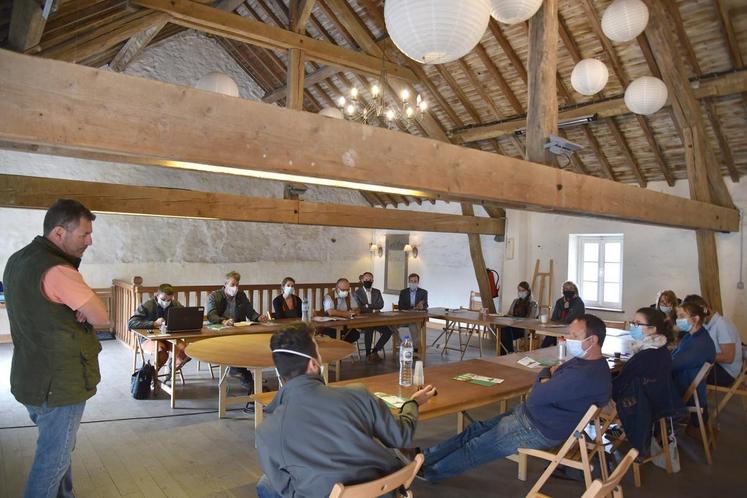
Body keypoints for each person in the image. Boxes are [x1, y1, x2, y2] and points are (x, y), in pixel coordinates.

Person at [418, 314, 611, 482]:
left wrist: (546, 376)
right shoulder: (586, 363)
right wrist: (548, 376)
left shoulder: (584, 375)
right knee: (474, 430)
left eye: (574, 336)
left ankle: (430, 472)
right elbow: (549, 374)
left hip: (536, 428)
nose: (567, 339)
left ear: (592, 340)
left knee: (475, 448)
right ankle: (424, 458)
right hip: (530, 416)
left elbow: (536, 395)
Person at [255, 323, 437, 498]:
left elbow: (286, 489)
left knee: (266, 484)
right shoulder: (357, 394)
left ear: (280, 371)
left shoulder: (267, 431)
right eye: (318, 351)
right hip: (383, 489)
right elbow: (400, 436)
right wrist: (412, 404)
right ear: (313, 364)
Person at [3, 199, 109, 497]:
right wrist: (85, 307)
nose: (90, 241)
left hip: (30, 377)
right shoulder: (59, 270)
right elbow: (101, 316)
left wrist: (80, 305)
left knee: (57, 449)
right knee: (53, 460)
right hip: (60, 383)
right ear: (59, 233)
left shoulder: (18, 260)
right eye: (84, 234)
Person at [612, 308, 680, 455]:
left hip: (640, 405)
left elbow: (618, 387)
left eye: (637, 324)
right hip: (658, 401)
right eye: (632, 323)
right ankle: (618, 429)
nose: (633, 326)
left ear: (652, 329)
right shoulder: (662, 350)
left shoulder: (644, 356)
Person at [207, 271, 268, 391]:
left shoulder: (241, 295)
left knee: (254, 345)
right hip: (220, 331)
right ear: (225, 284)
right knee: (235, 349)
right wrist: (223, 321)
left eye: (237, 285)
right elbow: (211, 315)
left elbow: (250, 311)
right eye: (232, 284)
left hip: (238, 330)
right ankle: (245, 377)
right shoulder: (214, 296)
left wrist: (258, 317)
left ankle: (242, 373)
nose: (235, 288)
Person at [681, 295, 742, 388]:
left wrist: (701, 355)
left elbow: (729, 358)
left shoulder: (722, 325)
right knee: (684, 367)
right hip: (716, 364)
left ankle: (691, 396)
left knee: (686, 374)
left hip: (727, 372)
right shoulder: (706, 323)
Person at [672, 301, 716, 429]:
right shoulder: (693, 336)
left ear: (695, 319)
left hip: (685, 390)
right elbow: (674, 356)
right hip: (683, 382)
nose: (678, 320)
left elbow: (672, 364)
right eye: (677, 316)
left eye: (681, 316)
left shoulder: (699, 344)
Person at [128, 283, 190, 372]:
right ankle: (153, 375)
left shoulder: (175, 304)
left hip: (169, 337)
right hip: (149, 338)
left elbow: (186, 316)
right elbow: (131, 323)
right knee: (161, 353)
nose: (166, 302)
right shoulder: (147, 305)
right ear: (156, 295)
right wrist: (153, 323)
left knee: (186, 351)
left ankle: (171, 368)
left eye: (169, 300)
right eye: (163, 299)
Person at [353, 272, 393, 363]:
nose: (368, 281)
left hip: (376, 320)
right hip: (362, 321)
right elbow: (359, 308)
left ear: (373, 280)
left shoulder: (377, 291)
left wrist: (367, 306)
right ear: (362, 280)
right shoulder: (357, 293)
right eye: (366, 279)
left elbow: (381, 305)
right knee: (369, 328)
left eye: (370, 279)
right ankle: (368, 355)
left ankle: (374, 351)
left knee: (388, 331)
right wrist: (373, 309)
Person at [541, 281, 585, 348]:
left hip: (572, 329)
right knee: (547, 341)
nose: (568, 291)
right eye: (565, 289)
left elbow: (570, 319)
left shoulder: (578, 302)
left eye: (570, 289)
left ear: (575, 290)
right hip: (558, 328)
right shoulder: (560, 301)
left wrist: (566, 310)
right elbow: (554, 317)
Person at [499, 281, 538, 354]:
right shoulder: (515, 301)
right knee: (502, 330)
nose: (520, 292)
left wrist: (518, 320)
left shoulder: (533, 304)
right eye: (519, 290)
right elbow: (509, 314)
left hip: (524, 328)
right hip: (513, 326)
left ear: (528, 291)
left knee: (505, 332)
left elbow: (531, 319)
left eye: (522, 290)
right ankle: (507, 353)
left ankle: (509, 352)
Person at [319, 278, 360, 343]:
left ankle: (344, 348)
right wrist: (346, 314)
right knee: (335, 335)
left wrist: (355, 312)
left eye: (347, 290)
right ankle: (340, 347)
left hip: (345, 325)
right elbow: (330, 312)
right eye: (343, 290)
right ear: (337, 288)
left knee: (355, 334)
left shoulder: (349, 295)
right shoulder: (329, 296)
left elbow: (355, 308)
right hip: (330, 326)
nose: (345, 292)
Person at [397, 273, 428, 353]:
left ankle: (416, 349)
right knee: (391, 326)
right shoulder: (403, 292)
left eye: (415, 281)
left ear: (418, 282)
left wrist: (422, 307)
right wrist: (413, 308)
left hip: (415, 319)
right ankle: (401, 344)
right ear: (408, 281)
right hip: (404, 318)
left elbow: (426, 305)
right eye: (411, 281)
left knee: (413, 326)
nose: (413, 283)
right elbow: (400, 306)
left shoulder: (423, 292)